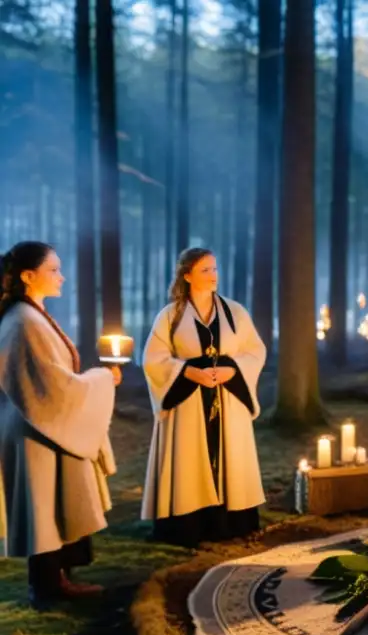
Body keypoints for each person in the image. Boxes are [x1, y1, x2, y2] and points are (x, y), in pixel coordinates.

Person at [0, 241, 121, 607]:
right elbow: (50, 384)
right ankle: (48, 587)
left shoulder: (29, 315)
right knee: (43, 508)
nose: (61, 276)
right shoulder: (23, 321)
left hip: (39, 423)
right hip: (35, 427)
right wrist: (102, 379)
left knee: (53, 504)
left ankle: (58, 578)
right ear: (28, 275)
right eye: (53, 270)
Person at [142, 247, 267, 547]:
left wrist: (233, 369)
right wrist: (187, 371)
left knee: (229, 455)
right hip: (187, 402)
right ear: (187, 276)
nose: (213, 276)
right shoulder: (170, 316)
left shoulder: (235, 312)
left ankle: (231, 521)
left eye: (214, 269)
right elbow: (152, 359)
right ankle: (188, 525)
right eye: (205, 271)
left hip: (228, 398)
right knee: (189, 458)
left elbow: (255, 351)